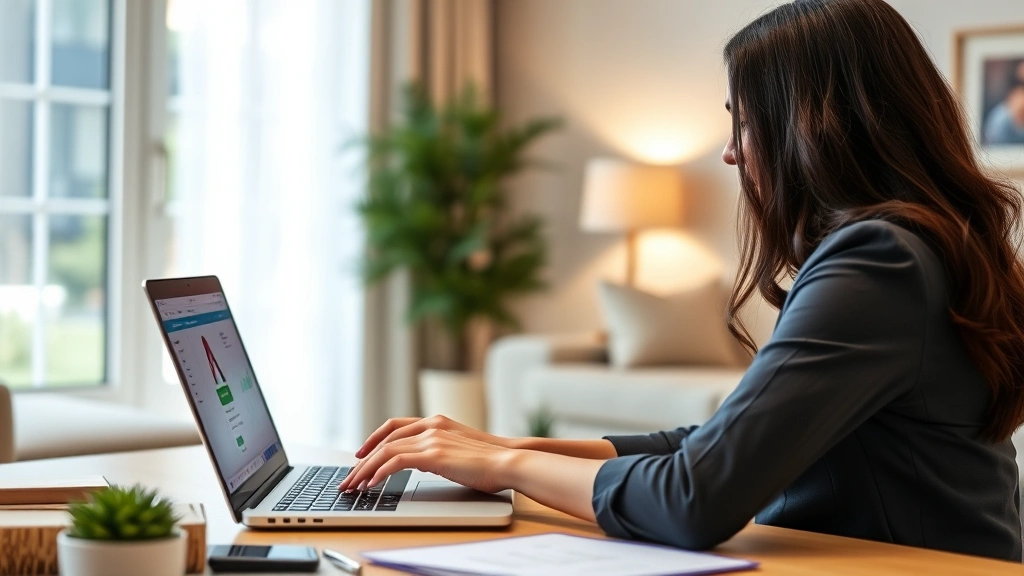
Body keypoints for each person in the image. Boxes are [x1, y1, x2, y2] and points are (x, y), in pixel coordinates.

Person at [340, 0, 1024, 562]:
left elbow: (694, 498)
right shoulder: (920, 248)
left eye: (744, 123)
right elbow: (715, 446)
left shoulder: (880, 261)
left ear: (814, 129)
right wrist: (500, 445)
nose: (730, 152)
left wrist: (504, 470)